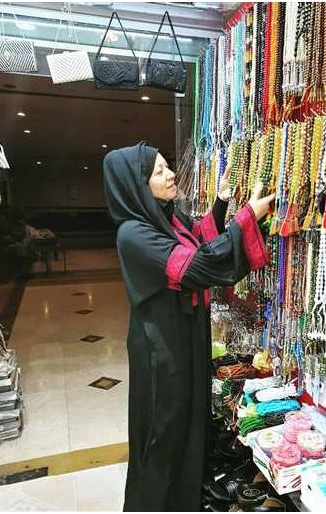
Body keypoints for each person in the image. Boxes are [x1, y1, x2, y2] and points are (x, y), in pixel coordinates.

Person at [103, 142, 275, 512]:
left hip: (186, 334)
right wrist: (247, 217)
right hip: (162, 345)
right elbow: (196, 267)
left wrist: (222, 202)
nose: (170, 176)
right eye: (159, 172)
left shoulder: (166, 217)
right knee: (165, 431)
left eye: (167, 167)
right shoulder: (134, 233)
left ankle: (184, 501)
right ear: (136, 185)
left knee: (191, 420)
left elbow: (198, 237)